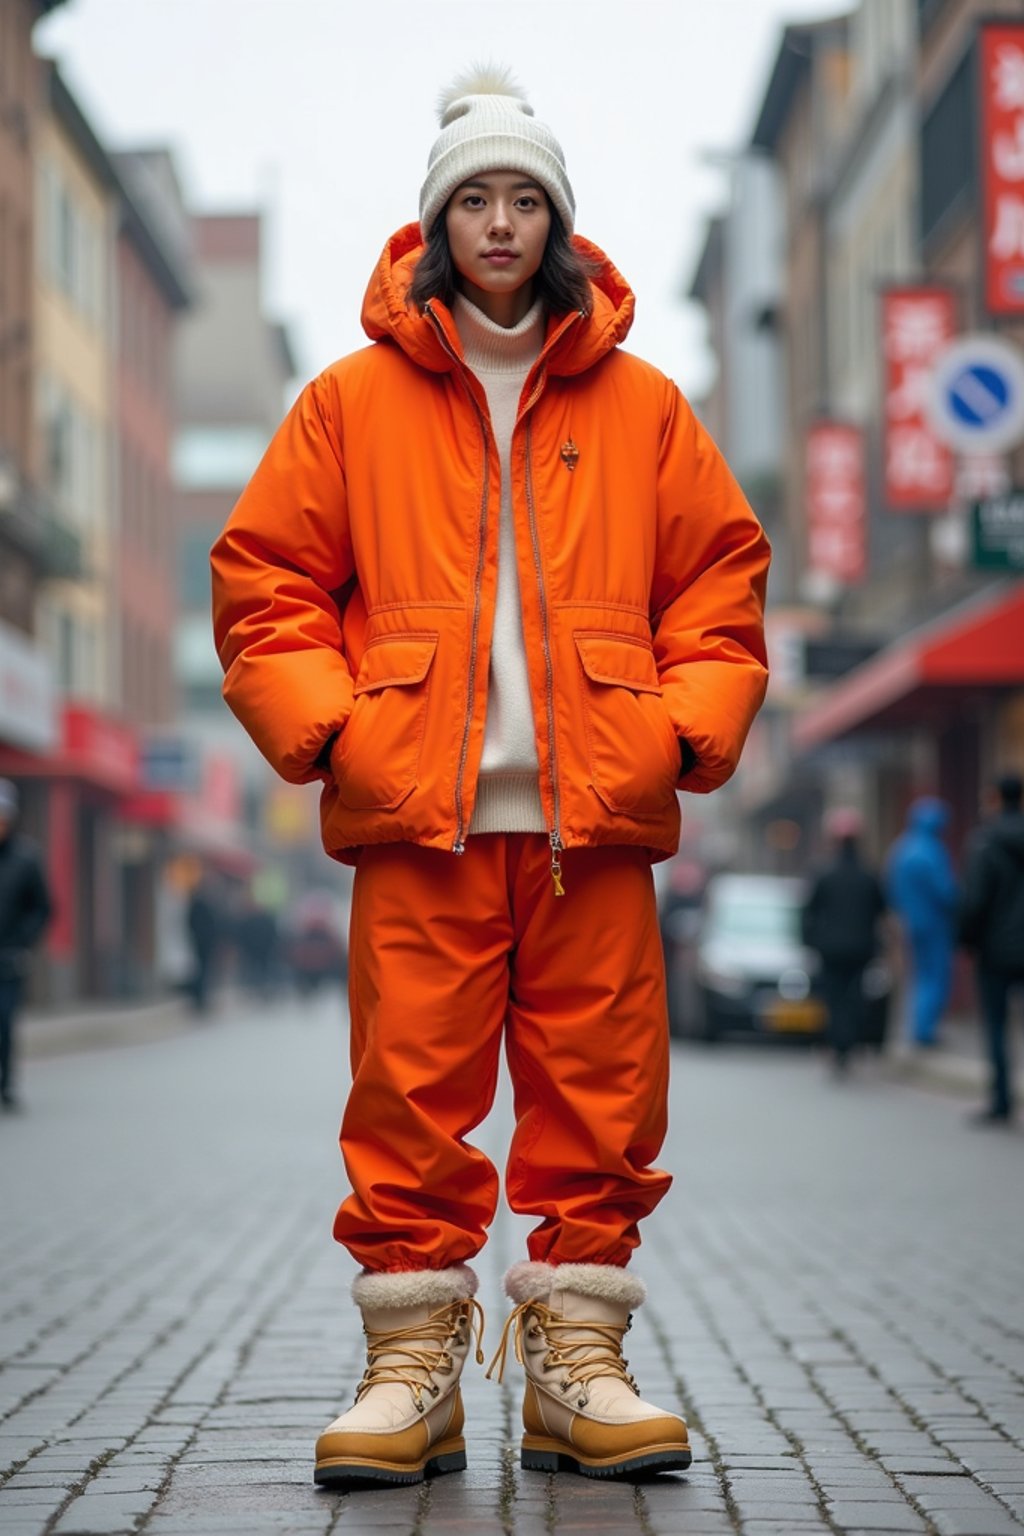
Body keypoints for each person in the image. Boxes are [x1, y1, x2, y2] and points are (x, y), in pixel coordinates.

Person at [211, 67, 770, 1488]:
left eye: (528, 199)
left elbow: (719, 581)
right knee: (408, 1095)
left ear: (561, 222)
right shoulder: (348, 402)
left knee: (600, 1096)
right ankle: (413, 1368)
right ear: (437, 221)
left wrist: (684, 730)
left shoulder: (646, 405)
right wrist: (336, 734)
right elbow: (268, 579)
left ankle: (578, 1367)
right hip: (423, 817)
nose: (503, 223)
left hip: (595, 817)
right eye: (478, 199)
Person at [959, 772, 1024, 1125]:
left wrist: (967, 941)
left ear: (995, 798)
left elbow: (975, 900)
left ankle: (1002, 1102)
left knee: (997, 1027)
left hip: (996, 950)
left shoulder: (984, 842)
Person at [801, 809, 886, 1074]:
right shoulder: (870, 874)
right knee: (855, 997)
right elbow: (880, 910)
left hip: (830, 949)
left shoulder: (823, 873)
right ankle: (847, 1043)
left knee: (835, 998)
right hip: (861, 948)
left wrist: (810, 941)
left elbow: (809, 912)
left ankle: (839, 1044)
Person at [885, 797, 958, 1048]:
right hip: (935, 924)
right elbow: (946, 892)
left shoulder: (901, 849)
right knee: (935, 976)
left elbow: (891, 890)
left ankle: (918, 1027)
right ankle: (925, 1030)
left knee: (919, 976)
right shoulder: (932, 852)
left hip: (911, 924)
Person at [0, 779, 53, 1110]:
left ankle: (5, 1083)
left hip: (8, 959)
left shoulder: (26, 858)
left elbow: (43, 907)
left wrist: (23, 942)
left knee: (4, 1022)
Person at [185, 873, 222, 1015]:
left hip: (202, 942)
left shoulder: (200, 904)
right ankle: (199, 998)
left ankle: (201, 998)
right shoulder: (202, 904)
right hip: (202, 942)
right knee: (201, 970)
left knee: (203, 970)